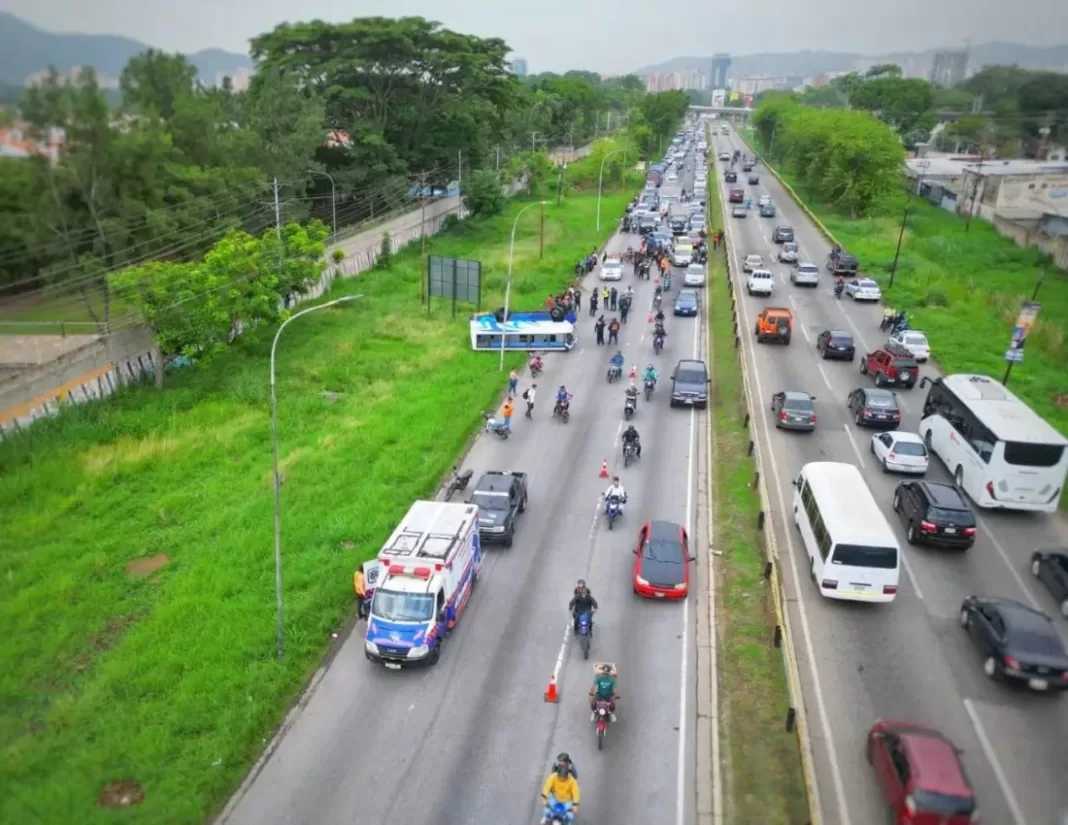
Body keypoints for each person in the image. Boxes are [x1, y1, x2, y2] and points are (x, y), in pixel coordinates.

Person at [540, 760, 581, 825]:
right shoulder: (553, 776)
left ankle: (567, 823)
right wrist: (544, 797)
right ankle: (547, 817)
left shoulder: (572, 781)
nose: (561, 778)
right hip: (555, 797)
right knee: (546, 811)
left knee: (570, 816)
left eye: (563, 777)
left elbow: (576, 792)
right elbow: (547, 785)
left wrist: (575, 804)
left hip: (566, 800)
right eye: (560, 776)